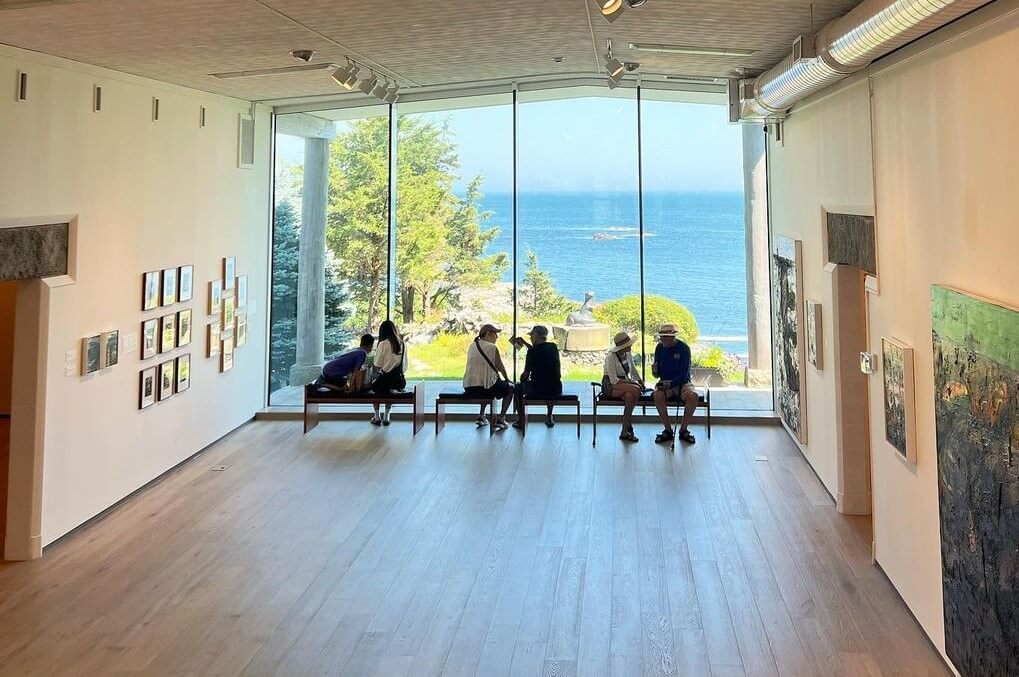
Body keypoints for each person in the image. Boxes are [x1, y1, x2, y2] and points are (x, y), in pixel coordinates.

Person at [651, 323, 698, 445]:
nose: (662, 339)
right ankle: (667, 429)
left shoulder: (684, 349)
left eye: (665, 337)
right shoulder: (659, 348)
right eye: (661, 336)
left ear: (672, 337)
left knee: (693, 396)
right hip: (665, 383)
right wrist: (655, 371)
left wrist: (671, 384)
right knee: (657, 395)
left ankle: (683, 429)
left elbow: (684, 373)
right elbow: (656, 375)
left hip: (682, 383)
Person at [463, 323, 514, 431]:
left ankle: (482, 415)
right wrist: (507, 379)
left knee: (485, 383)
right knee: (509, 388)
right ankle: (501, 418)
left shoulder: (472, 345)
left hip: (469, 387)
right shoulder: (492, 347)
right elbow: (500, 367)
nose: (497, 337)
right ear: (489, 333)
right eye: (496, 334)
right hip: (486, 389)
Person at [510, 325, 563, 428]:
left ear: (536, 336)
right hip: (556, 388)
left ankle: (521, 420)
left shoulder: (532, 352)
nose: (530, 338)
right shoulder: (553, 347)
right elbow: (539, 350)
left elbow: (525, 375)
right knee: (550, 382)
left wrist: (521, 379)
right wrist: (525, 344)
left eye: (531, 336)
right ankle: (549, 416)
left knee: (517, 388)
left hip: (537, 388)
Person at [603, 331, 645, 443]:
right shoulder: (610, 357)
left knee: (630, 396)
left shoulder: (627, 354)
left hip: (624, 384)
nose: (630, 346)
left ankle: (624, 430)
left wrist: (640, 381)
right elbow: (613, 380)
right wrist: (633, 384)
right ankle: (628, 425)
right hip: (611, 385)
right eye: (628, 345)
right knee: (636, 390)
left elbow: (633, 370)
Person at [370, 320, 407, 426]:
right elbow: (404, 365)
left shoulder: (383, 344)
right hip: (398, 381)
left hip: (384, 381)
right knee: (389, 391)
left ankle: (377, 416)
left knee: (375, 387)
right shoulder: (402, 344)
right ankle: (386, 415)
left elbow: (377, 364)